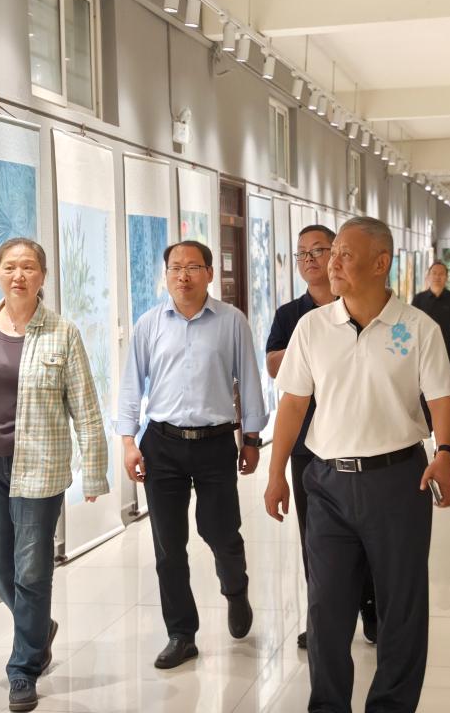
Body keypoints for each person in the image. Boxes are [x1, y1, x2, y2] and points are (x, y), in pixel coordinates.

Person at [264, 216, 450, 713]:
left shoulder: (417, 328)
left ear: (380, 262)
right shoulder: (312, 327)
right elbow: (292, 404)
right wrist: (276, 471)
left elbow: (442, 400)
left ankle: (391, 705)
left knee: (401, 607)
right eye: (330, 255)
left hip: (399, 481)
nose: (330, 263)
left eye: (343, 254)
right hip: (327, 483)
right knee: (326, 609)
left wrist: (444, 454)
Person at [0, 238, 108, 713]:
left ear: (43, 276)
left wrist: (94, 471)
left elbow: (86, 408)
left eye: (29, 267)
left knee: (32, 569)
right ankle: (38, 628)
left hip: (40, 468)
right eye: (10, 267)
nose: (19, 275)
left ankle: (23, 667)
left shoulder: (62, 334)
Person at [117, 240, 268, 670]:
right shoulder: (149, 324)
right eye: (175, 268)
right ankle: (181, 634)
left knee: (221, 532)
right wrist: (128, 441)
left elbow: (249, 380)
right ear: (166, 275)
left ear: (209, 273)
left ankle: (235, 589)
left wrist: (251, 439)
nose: (183, 275)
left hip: (215, 442)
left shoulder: (231, 321)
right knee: (169, 546)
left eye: (193, 267)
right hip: (161, 444)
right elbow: (131, 384)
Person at [265, 224, 377, 651]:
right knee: (315, 537)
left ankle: (371, 609)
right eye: (302, 253)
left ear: (337, 254)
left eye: (318, 250)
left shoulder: (363, 305)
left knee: (366, 535)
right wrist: (312, 346)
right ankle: (323, 618)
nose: (310, 259)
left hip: (361, 440)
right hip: (307, 444)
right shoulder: (289, 316)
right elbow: (274, 366)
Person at [413, 261, 450, 373]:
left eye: (441, 274)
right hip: (424, 349)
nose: (437, 276)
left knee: (447, 380)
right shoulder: (419, 299)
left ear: (446, 277)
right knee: (423, 380)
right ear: (428, 276)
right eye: (434, 273)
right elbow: (412, 324)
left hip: (447, 349)